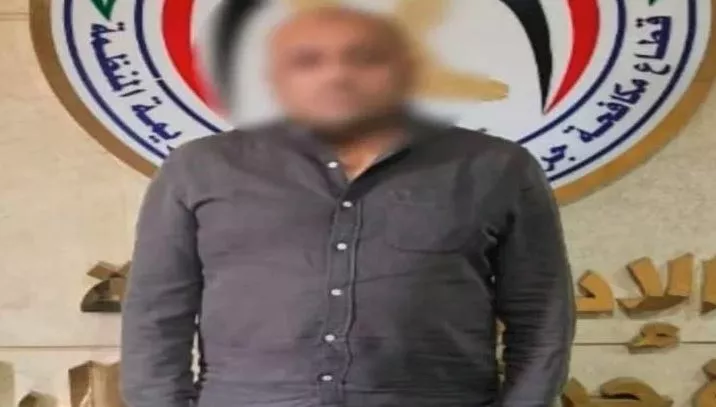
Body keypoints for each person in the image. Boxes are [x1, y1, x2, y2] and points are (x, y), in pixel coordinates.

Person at [121, 6, 575, 407]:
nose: (337, 74)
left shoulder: (497, 167)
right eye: (307, 61)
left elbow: (541, 313)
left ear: (408, 69)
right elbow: (156, 314)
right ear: (273, 77)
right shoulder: (200, 167)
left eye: (366, 58)